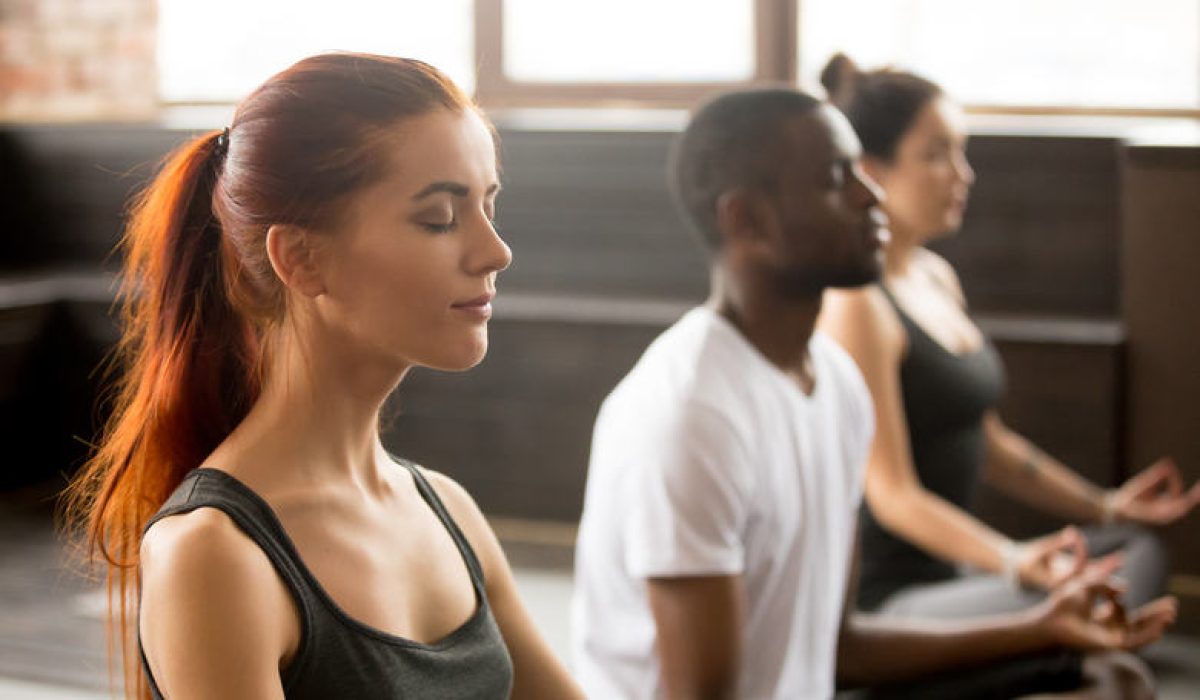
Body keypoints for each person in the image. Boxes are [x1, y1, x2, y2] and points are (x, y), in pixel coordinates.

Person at [571, 86, 1176, 699]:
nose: (872, 196)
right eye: (838, 179)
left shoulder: (835, 382)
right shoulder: (690, 417)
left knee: (1113, 677)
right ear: (746, 219)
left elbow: (844, 651)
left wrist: (1043, 627)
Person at [62, 53, 583, 699]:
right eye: (439, 219)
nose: (495, 251)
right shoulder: (215, 556)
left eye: (488, 206)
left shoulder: (448, 511)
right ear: (302, 259)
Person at [816, 53, 1200, 622]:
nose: (962, 174)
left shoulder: (934, 276)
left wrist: (1105, 505)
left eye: (961, 151)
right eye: (936, 154)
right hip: (889, 598)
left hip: (955, 575)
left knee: (1133, 551)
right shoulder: (857, 305)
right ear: (871, 170)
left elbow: (990, 444)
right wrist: (1014, 559)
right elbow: (891, 495)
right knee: (1093, 613)